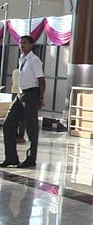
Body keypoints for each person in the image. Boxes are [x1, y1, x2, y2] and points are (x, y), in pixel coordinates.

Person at [2, 36, 45, 168]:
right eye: (20, 43)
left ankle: (31, 158)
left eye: (25, 43)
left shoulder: (34, 60)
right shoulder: (22, 59)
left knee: (31, 127)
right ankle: (11, 158)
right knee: (8, 124)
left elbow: (41, 81)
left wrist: (41, 97)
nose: (22, 45)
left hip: (31, 94)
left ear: (31, 45)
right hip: (21, 94)